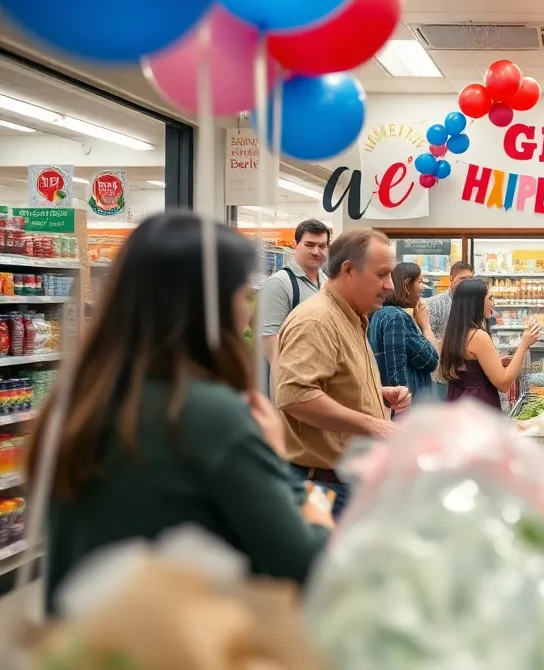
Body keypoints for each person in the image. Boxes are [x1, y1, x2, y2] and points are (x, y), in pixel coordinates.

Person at [31, 213, 332, 615]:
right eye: (244, 295)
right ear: (208, 304)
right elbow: (306, 564)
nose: (247, 314)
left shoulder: (77, 403)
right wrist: (295, 482)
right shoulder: (208, 415)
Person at [274, 228, 410, 518]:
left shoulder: (350, 315)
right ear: (349, 270)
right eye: (382, 274)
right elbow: (295, 395)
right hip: (322, 488)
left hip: (343, 482)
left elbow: (329, 381)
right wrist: (374, 425)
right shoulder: (317, 320)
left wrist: (375, 393)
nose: (390, 286)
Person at [438, 278, 541, 410]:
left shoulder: (453, 333)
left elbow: (468, 369)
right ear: (477, 302)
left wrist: (495, 362)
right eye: (490, 298)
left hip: (459, 407)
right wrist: (524, 344)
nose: (493, 303)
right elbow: (503, 383)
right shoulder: (478, 337)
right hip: (480, 410)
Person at [260, 218, 330, 370]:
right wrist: (289, 379)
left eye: (322, 246)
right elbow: (268, 338)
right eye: (309, 245)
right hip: (295, 378)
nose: (316, 251)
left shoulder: (326, 282)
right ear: (296, 245)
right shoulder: (280, 282)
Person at [369, 262, 440, 406]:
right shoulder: (397, 317)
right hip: (407, 407)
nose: (422, 288)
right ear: (408, 284)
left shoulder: (379, 313)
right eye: (420, 281)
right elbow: (431, 360)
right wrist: (426, 326)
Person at [427, 260, 474, 340]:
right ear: (451, 279)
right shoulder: (435, 304)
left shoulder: (475, 302)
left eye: (470, 278)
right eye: (462, 278)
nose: (467, 282)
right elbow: (429, 337)